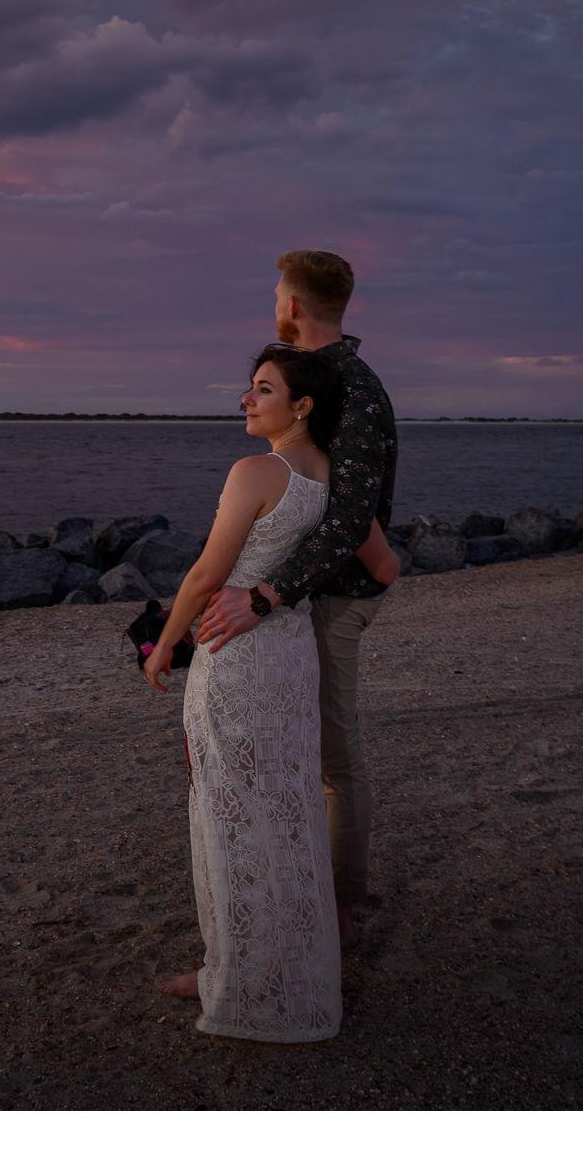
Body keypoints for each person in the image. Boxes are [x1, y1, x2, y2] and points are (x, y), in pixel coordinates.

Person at [142, 344, 401, 1042]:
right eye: (249, 388)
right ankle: (284, 972)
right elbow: (384, 564)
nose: (246, 400)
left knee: (230, 813)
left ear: (302, 406)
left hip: (235, 655)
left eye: (263, 389)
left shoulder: (255, 471)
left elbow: (206, 575)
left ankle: (237, 982)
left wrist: (165, 644)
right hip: (290, 655)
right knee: (286, 812)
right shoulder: (337, 483)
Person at [197, 251, 398, 951]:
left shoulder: (354, 388)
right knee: (291, 755)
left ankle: (338, 914)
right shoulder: (322, 378)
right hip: (305, 597)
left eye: (276, 294)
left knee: (336, 761)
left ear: (291, 306)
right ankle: (295, 899)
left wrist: (267, 593)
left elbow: (347, 518)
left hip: (333, 597)